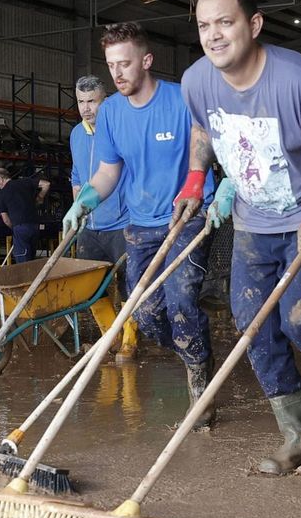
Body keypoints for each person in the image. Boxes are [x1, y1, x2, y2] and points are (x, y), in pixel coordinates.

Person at [177, 0, 301, 475]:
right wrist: (196, 178)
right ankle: (296, 436)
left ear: (254, 24)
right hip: (253, 223)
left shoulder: (300, 81)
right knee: (252, 325)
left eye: (225, 22)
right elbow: (204, 126)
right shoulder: (197, 79)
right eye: (204, 25)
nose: (214, 35)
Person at [64, 22, 216, 428]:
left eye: (125, 64)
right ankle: (195, 348)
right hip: (141, 223)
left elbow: (204, 145)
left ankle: (200, 382)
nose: (117, 74)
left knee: (181, 301)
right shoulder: (111, 112)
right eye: (112, 65)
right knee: (146, 315)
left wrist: (205, 190)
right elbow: (109, 171)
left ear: (146, 61)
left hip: (187, 214)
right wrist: (84, 201)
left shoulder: (180, 100)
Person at [67, 76, 129, 265]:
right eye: (81, 102)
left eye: (92, 101)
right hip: (89, 227)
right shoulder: (76, 134)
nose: (86, 108)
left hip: (122, 225)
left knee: (130, 286)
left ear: (105, 100)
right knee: (89, 288)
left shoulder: (121, 129)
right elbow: (76, 177)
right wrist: (76, 209)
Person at [0, 166, 39, 263]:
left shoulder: (1, 194)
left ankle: (25, 278)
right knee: (32, 259)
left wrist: (14, 227)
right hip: (35, 226)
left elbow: (6, 220)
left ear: (0, 179)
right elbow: (46, 184)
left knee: (22, 260)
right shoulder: (24, 182)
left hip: (19, 227)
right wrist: (40, 197)